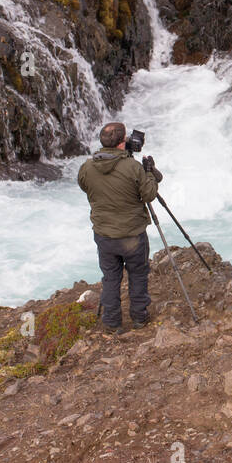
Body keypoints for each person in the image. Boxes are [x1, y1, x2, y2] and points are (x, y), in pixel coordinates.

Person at [77, 122, 163, 334]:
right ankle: (139, 319)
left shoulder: (87, 168)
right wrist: (150, 173)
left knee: (110, 278)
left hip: (105, 235)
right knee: (138, 275)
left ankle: (112, 323)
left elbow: (84, 186)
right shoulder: (132, 168)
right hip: (132, 234)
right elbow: (149, 194)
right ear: (122, 143)